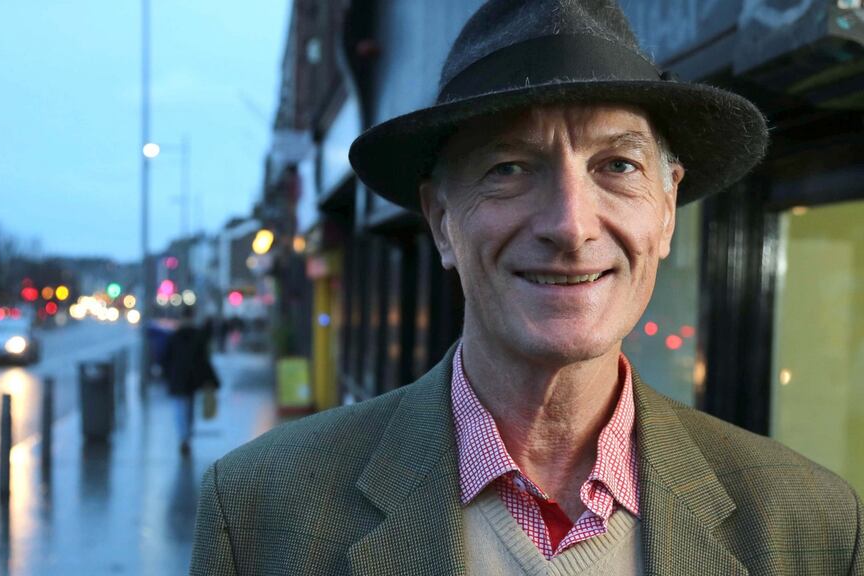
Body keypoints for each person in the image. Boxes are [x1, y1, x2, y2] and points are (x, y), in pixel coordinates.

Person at [191, 1, 863, 574]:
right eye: (509, 167)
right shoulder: (260, 512)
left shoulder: (811, 527)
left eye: (618, 165)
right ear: (442, 222)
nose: (571, 225)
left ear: (665, 210)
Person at [164, 306, 218, 455]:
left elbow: (166, 359)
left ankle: (184, 437)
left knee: (180, 408)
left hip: (178, 378)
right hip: (192, 379)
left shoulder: (175, 336)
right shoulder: (197, 335)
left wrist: (167, 375)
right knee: (189, 408)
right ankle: (186, 436)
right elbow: (203, 359)